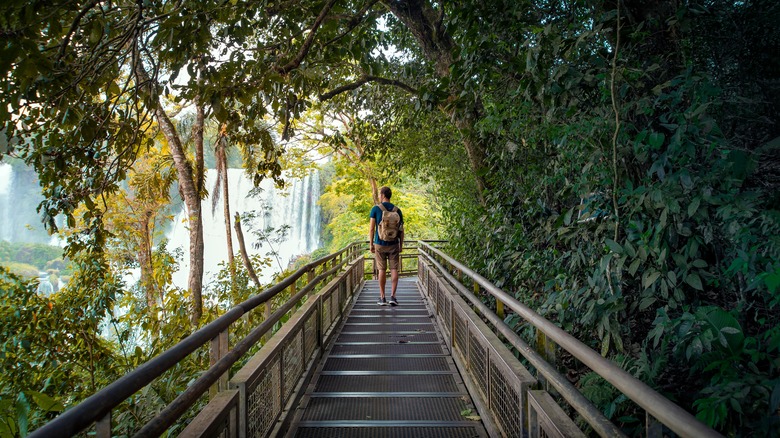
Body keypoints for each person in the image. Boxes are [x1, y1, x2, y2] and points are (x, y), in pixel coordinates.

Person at [369, 186, 404, 306]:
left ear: (383, 195)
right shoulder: (397, 210)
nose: (379, 196)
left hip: (380, 244)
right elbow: (401, 230)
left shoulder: (376, 209)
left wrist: (371, 244)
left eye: (380, 194)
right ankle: (393, 297)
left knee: (381, 269)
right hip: (394, 244)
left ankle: (382, 297)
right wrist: (401, 245)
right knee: (394, 269)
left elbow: (372, 229)